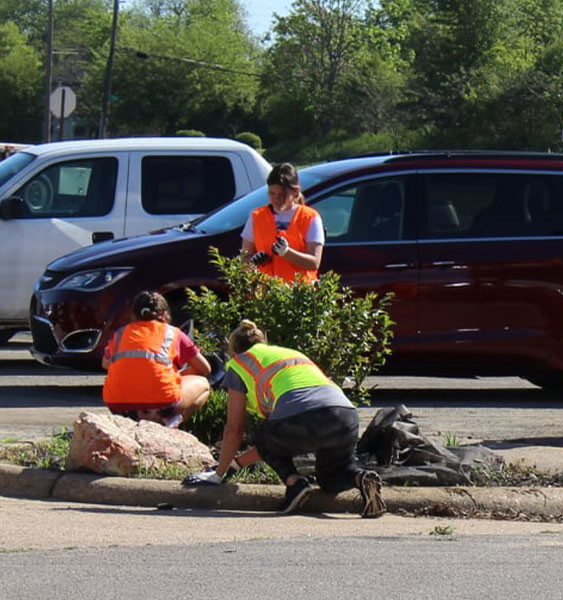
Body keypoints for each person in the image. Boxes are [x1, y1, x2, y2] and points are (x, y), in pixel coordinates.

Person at [185, 320, 384, 518]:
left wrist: (219, 474)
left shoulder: (239, 364)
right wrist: (236, 465)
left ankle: (295, 483)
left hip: (303, 415)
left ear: (234, 351)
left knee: (265, 432)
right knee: (331, 479)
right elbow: (272, 445)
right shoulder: (292, 354)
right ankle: (361, 478)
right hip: (345, 415)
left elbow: (235, 430)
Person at [100, 292, 212, 427]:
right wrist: (176, 376)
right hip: (162, 406)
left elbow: (105, 364)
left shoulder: (121, 333)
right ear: (164, 314)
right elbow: (205, 369)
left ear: (134, 315)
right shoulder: (173, 333)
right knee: (203, 384)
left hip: (119, 407)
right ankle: (172, 424)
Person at [240, 163, 324, 283]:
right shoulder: (256, 217)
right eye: (272, 193)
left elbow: (314, 263)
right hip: (264, 294)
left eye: (282, 195)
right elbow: (243, 261)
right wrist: (253, 261)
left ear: (295, 192)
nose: (276, 199)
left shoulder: (310, 217)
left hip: (298, 295)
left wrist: (286, 252)